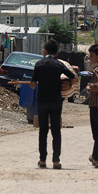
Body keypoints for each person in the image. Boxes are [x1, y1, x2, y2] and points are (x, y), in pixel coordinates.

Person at [30, 39, 78, 169]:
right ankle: (56, 161)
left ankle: (43, 160)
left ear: (45, 51)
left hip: (42, 102)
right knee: (56, 131)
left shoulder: (39, 64)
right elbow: (74, 79)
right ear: (56, 53)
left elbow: (33, 85)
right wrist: (67, 85)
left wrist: (37, 82)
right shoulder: (59, 65)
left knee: (43, 131)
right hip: (56, 101)